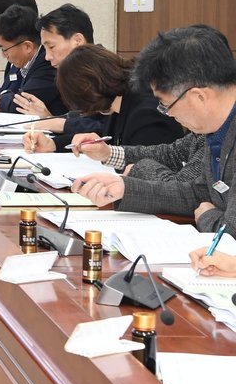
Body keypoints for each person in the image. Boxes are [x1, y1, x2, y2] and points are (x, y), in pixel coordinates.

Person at [72, 25, 236, 233]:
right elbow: (198, 193)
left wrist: (207, 217)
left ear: (199, 97)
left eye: (166, 105)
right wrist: (123, 188)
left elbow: (230, 231)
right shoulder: (214, 128)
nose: (168, 114)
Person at [21, 45, 182, 154]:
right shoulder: (119, 102)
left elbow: (139, 166)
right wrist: (53, 144)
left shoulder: (145, 113)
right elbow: (101, 138)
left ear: (86, 91)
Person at [16, 4, 106, 147]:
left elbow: (106, 130)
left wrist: (59, 123)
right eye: (45, 49)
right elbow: (82, 130)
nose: (47, 57)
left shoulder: (105, 73)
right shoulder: (76, 75)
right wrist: (49, 119)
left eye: (51, 47)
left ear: (77, 41)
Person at [0, 4, 64, 114]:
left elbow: (21, 103)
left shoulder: (48, 64)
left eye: (4, 49)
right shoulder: (27, 61)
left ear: (27, 47)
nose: (3, 55)